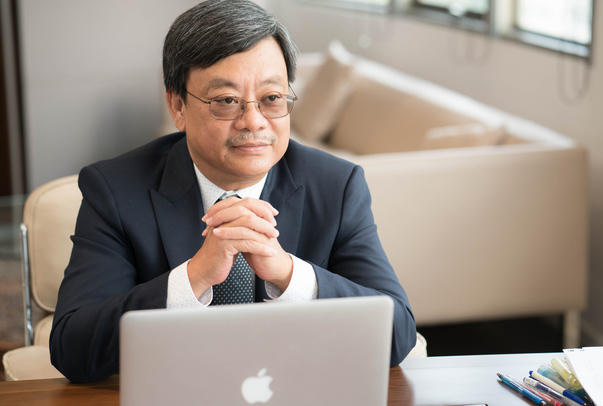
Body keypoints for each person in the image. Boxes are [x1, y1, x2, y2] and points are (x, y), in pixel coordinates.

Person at [50, 0, 416, 383]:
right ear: (177, 106)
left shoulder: (336, 186)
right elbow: (73, 349)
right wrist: (193, 278)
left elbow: (398, 336)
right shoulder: (116, 190)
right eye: (226, 101)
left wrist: (288, 274)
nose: (253, 122)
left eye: (271, 99)